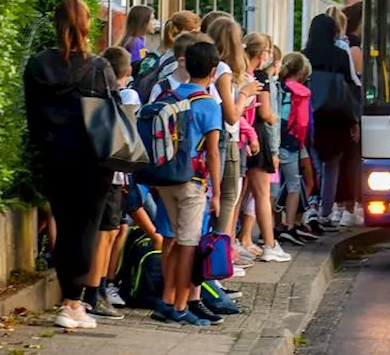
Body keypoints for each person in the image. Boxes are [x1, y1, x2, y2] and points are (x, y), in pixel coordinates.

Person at [23, 0, 120, 330]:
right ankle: (73, 303)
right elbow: (112, 110)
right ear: (85, 24)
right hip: (93, 159)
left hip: (55, 156)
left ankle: (70, 297)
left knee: (64, 226)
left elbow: (32, 115)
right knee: (87, 227)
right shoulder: (98, 67)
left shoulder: (38, 65)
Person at [149, 42, 223, 327]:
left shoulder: (171, 95)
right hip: (191, 182)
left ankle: (166, 301)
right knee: (189, 245)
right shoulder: (208, 104)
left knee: (174, 243)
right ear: (214, 71)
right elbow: (213, 152)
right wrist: (215, 192)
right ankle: (180, 306)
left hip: (164, 178)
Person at [82, 47, 143, 320]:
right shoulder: (126, 95)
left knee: (106, 232)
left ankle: (95, 290)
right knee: (106, 234)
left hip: (96, 170)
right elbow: (127, 133)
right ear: (127, 71)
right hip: (114, 173)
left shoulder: (91, 95)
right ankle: (94, 293)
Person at [204, 17, 260, 253]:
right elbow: (231, 115)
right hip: (227, 138)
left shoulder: (211, 65)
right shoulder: (224, 70)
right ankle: (219, 257)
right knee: (228, 198)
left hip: (217, 136)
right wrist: (245, 94)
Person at [303, 14, 360, 226]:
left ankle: (313, 206)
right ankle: (327, 212)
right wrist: (353, 120)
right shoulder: (339, 55)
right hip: (336, 116)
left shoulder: (304, 55)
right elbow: (349, 88)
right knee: (333, 164)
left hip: (311, 114)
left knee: (313, 162)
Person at [238, 32, 291, 262]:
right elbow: (266, 113)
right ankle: (269, 243)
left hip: (244, 135)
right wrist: (274, 118)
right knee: (262, 194)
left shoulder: (239, 74)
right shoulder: (260, 78)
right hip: (258, 136)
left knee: (240, 193)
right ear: (262, 55)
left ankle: (235, 240)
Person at [276, 52, 316, 244]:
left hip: (274, 142)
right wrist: (301, 143)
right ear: (301, 74)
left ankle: (276, 226)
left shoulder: (277, 86)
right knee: (293, 185)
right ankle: (290, 226)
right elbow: (302, 124)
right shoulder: (300, 92)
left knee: (273, 187)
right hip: (291, 143)